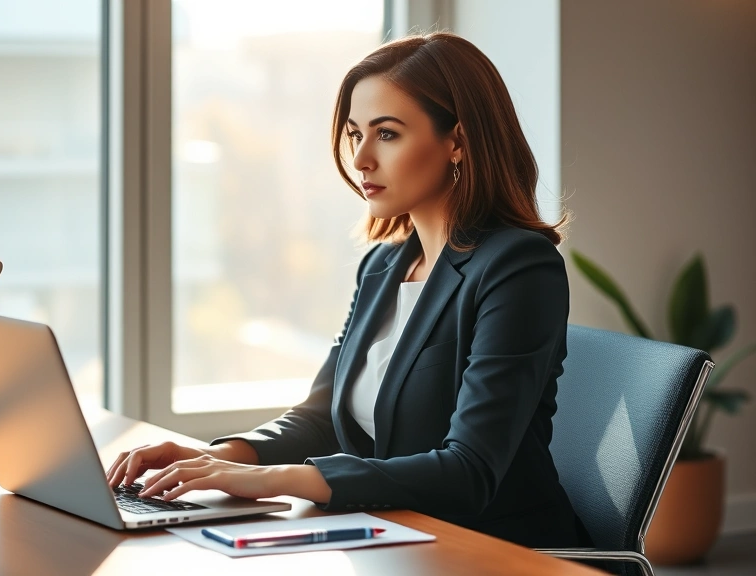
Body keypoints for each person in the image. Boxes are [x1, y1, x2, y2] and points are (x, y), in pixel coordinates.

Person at [106, 32, 591, 549]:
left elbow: (468, 471)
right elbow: (321, 418)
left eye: (387, 134)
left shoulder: (519, 267)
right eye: (355, 134)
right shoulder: (383, 266)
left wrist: (272, 481)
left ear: (458, 141)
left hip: (496, 552)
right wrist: (219, 457)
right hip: (396, 538)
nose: (360, 159)